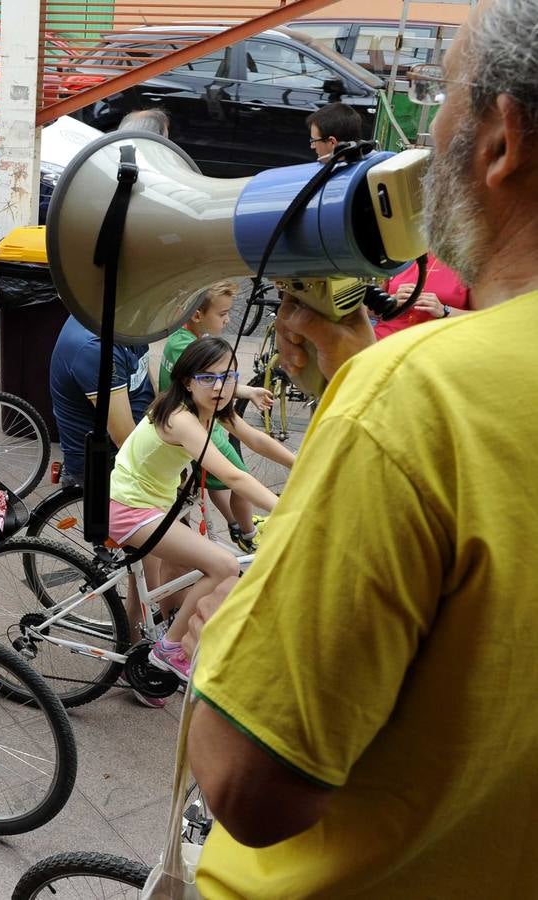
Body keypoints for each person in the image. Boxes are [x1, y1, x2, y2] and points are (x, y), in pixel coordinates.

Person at [178, 2, 538, 894]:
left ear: (502, 137)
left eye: (444, 97)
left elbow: (250, 787)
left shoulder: (415, 397)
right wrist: (359, 375)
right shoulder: (412, 394)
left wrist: (226, 628)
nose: (427, 135)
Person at [109, 336, 284, 682]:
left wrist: (305, 463)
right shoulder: (181, 418)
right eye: (208, 378)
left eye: (228, 377)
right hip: (132, 508)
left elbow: (257, 440)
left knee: (159, 581)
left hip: (156, 502)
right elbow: (233, 476)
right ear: (188, 381)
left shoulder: (210, 406)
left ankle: (142, 654)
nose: (220, 387)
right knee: (224, 565)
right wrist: (287, 509)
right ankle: (169, 650)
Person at [159, 281, 278, 550]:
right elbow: (241, 472)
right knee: (240, 480)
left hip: (196, 424)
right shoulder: (189, 351)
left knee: (218, 480)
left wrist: (247, 391)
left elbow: (252, 437)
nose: (227, 320)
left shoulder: (180, 340)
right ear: (197, 315)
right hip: (201, 431)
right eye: (222, 314)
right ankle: (248, 535)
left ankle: (235, 525)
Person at [49, 318, 155, 488]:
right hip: (109, 462)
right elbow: (124, 438)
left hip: (136, 442)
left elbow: (142, 374)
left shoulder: (128, 323)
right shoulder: (96, 349)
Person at [374, 252, 470, 339]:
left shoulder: (468, 263)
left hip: (434, 342)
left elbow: (479, 318)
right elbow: (369, 310)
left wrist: (444, 311)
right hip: (385, 339)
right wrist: (390, 301)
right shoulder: (397, 256)